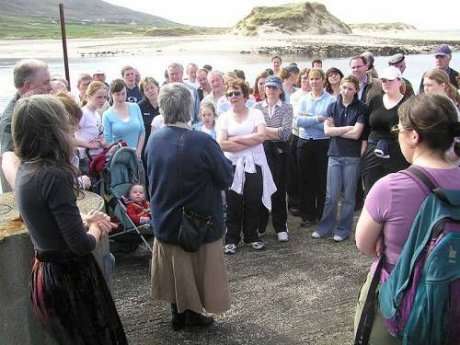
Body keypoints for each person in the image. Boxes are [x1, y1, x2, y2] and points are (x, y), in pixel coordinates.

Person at [12, 94, 127, 344]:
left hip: (44, 274)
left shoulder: (26, 169)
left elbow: (39, 217)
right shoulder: (55, 174)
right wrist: (96, 227)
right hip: (70, 280)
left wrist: (82, 217)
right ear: (53, 130)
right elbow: (81, 245)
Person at [354, 93, 460, 344]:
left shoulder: (390, 187)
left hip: (402, 300)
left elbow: (364, 244)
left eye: (397, 128)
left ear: (413, 136)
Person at [145, 82, 233, 331]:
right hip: (196, 223)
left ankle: (179, 313)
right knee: (193, 270)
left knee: (175, 271)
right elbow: (225, 178)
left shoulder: (155, 139)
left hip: (165, 218)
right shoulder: (202, 142)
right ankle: (192, 315)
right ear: (190, 107)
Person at [217, 78, 276, 255]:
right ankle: (232, 238)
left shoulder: (256, 113)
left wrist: (234, 139)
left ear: (244, 95)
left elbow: (261, 137)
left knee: (253, 200)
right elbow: (221, 144)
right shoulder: (224, 118)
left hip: (255, 164)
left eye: (237, 93)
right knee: (233, 202)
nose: (233, 96)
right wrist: (249, 140)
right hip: (233, 165)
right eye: (230, 94)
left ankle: (252, 235)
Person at [312, 75, 367, 241]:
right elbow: (327, 131)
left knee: (348, 197)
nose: (346, 91)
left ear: (356, 90)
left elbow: (357, 134)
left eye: (350, 88)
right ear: (340, 88)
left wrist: (339, 130)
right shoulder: (332, 107)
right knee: (331, 195)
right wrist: (348, 128)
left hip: (352, 157)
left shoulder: (362, 108)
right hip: (334, 155)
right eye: (344, 88)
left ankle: (343, 230)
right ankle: (325, 228)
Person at [0, 59, 52, 192]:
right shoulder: (11, 119)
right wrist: (26, 192)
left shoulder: (38, 106)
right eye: (46, 82)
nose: (50, 87)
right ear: (28, 85)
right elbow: (8, 158)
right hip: (26, 192)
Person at [254, 76, 293, 241]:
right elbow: (254, 130)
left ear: (280, 90)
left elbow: (285, 134)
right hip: (261, 150)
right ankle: (261, 224)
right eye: (268, 87)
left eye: (274, 88)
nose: (270, 90)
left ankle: (280, 226)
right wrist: (272, 131)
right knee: (261, 187)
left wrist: (263, 131)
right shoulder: (256, 108)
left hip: (280, 152)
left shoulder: (287, 108)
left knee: (278, 188)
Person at [296, 68, 335, 226]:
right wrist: (319, 118)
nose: (313, 82)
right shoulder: (304, 99)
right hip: (304, 142)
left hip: (323, 143)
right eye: (311, 79)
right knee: (305, 180)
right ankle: (308, 215)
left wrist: (309, 120)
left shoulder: (331, 100)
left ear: (323, 80)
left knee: (321, 180)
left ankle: (321, 214)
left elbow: (329, 125)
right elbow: (298, 122)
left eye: (317, 79)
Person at [361, 66, 410, 194]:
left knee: (395, 190)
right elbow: (366, 127)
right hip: (373, 150)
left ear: (399, 81)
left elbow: (409, 131)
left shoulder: (407, 104)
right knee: (371, 190)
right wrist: (364, 148)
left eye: (390, 80)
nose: (386, 83)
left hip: (396, 151)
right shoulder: (375, 100)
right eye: (383, 81)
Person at [287, 68, 311, 215]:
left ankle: (307, 201)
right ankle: (294, 202)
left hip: (311, 137)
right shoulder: (295, 96)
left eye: (309, 79)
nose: (306, 82)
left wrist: (306, 118)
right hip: (295, 135)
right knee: (294, 171)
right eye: (303, 79)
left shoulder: (317, 96)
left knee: (307, 171)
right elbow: (296, 118)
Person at [103, 79, 145, 159]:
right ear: (111, 94)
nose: (121, 97)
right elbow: (108, 141)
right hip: (119, 158)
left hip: (136, 156)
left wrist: (138, 151)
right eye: (117, 95)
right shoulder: (107, 114)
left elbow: (142, 131)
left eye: (123, 94)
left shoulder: (135, 106)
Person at [75, 81, 107, 163]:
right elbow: (70, 137)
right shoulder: (82, 113)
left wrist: (102, 142)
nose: (102, 100)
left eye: (105, 97)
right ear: (89, 96)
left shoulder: (96, 114)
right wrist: (88, 145)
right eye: (99, 97)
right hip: (85, 159)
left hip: (97, 158)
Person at [137, 77, 160, 149]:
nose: (150, 91)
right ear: (143, 93)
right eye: (146, 89)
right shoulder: (139, 107)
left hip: (163, 143)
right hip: (146, 145)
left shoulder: (165, 103)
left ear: (158, 88)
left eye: (152, 87)